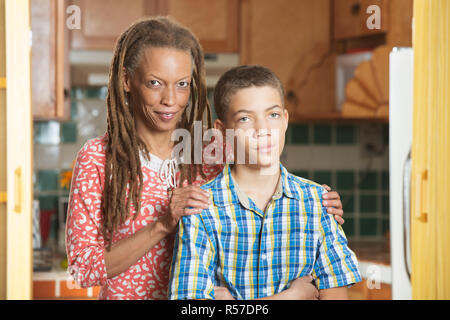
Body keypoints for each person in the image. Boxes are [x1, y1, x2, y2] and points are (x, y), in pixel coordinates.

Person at [66, 17, 345, 300]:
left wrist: (318, 204)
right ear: (127, 80)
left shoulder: (216, 150)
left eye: (183, 84)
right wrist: (162, 225)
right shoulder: (98, 159)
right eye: (154, 83)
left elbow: (271, 198)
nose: (171, 99)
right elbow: (83, 270)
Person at [168, 65, 361, 300]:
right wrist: (292, 297)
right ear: (222, 131)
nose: (263, 130)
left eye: (273, 115)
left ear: (286, 120)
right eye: (246, 119)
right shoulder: (201, 208)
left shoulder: (319, 202)